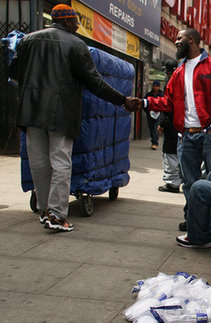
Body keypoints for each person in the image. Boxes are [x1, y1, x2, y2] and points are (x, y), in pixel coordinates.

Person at [9, 4, 139, 232]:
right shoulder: (76, 45)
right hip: (60, 113)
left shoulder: (28, 40)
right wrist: (122, 100)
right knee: (60, 162)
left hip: (30, 111)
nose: (78, 26)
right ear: (67, 22)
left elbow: (14, 72)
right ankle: (58, 215)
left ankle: (45, 209)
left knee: (38, 162)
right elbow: (94, 82)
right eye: (76, 22)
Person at [142, 28, 211, 231]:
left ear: (191, 40)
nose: (175, 41)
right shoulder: (179, 71)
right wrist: (145, 103)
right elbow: (168, 102)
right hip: (186, 137)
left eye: (179, 38)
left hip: (209, 134)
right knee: (190, 183)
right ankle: (194, 221)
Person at [157, 59, 182, 193]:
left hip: (172, 125)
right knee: (178, 153)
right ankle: (177, 180)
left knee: (170, 153)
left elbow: (167, 106)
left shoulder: (171, 83)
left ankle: (172, 183)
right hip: (181, 124)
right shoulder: (182, 80)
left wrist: (162, 123)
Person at [144, 80, 163, 150]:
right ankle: (153, 140)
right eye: (154, 86)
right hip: (150, 114)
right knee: (151, 128)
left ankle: (155, 142)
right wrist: (147, 111)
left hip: (159, 114)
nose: (155, 88)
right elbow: (144, 103)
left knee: (156, 128)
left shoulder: (162, 95)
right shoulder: (149, 95)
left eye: (157, 86)